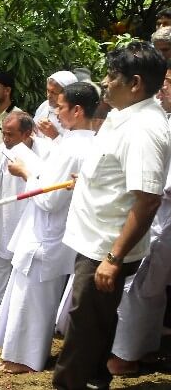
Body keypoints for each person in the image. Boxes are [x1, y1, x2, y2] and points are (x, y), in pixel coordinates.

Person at [53, 42, 170, 390]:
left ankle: (69, 385)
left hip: (105, 248)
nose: (104, 82)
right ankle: (94, 381)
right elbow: (114, 171)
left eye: (111, 76)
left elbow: (147, 201)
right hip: (95, 240)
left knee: (84, 329)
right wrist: (87, 180)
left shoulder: (145, 129)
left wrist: (113, 258)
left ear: (135, 83)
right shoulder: (122, 114)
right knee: (97, 325)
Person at [0, 82, 99, 374]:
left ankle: (25, 358)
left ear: (77, 110)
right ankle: (17, 351)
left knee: (34, 299)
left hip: (47, 233)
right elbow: (52, 177)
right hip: (50, 231)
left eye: (60, 107)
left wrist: (24, 171)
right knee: (28, 293)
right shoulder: (82, 140)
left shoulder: (76, 146)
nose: (56, 113)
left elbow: (50, 199)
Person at [109, 63, 171, 375]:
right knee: (150, 289)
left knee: (139, 286)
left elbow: (155, 190)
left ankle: (125, 356)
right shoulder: (162, 117)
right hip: (161, 213)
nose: (163, 89)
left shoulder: (152, 123)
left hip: (163, 216)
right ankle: (144, 348)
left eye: (169, 83)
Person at [0, 112, 46, 314]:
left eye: (11, 134)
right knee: (0, 262)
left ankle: (25, 309)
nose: (5, 139)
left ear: (27, 133)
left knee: (29, 266)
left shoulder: (45, 150)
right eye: (3, 133)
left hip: (35, 217)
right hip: (5, 218)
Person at [33, 71, 78, 140]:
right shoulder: (44, 105)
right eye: (48, 90)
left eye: (54, 92)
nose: (49, 96)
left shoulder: (73, 115)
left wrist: (54, 135)